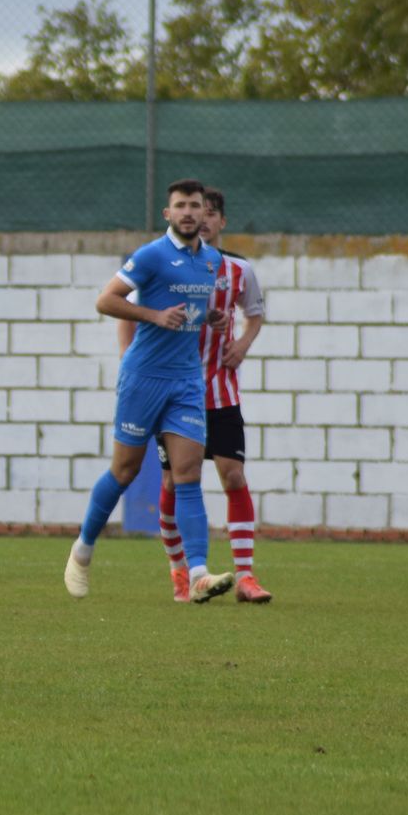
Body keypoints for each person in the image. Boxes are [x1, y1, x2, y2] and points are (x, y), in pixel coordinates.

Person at [64, 179, 236, 603]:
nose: (189, 212)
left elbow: (188, 304)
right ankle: (82, 552)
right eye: (180, 206)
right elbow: (106, 301)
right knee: (124, 471)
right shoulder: (150, 255)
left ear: (204, 213)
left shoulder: (211, 260)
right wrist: (153, 316)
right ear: (168, 214)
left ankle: (198, 574)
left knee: (188, 475)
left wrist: (209, 316)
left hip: (186, 381)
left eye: (195, 205)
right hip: (143, 377)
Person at [118, 189, 271, 603]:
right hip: (171, 391)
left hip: (219, 393)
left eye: (209, 212)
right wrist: (131, 368)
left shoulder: (238, 269)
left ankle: (245, 577)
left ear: (219, 220)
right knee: (173, 481)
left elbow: (255, 313)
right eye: (192, 210)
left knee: (233, 476)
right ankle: (180, 571)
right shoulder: (165, 262)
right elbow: (125, 307)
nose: (201, 219)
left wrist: (241, 343)